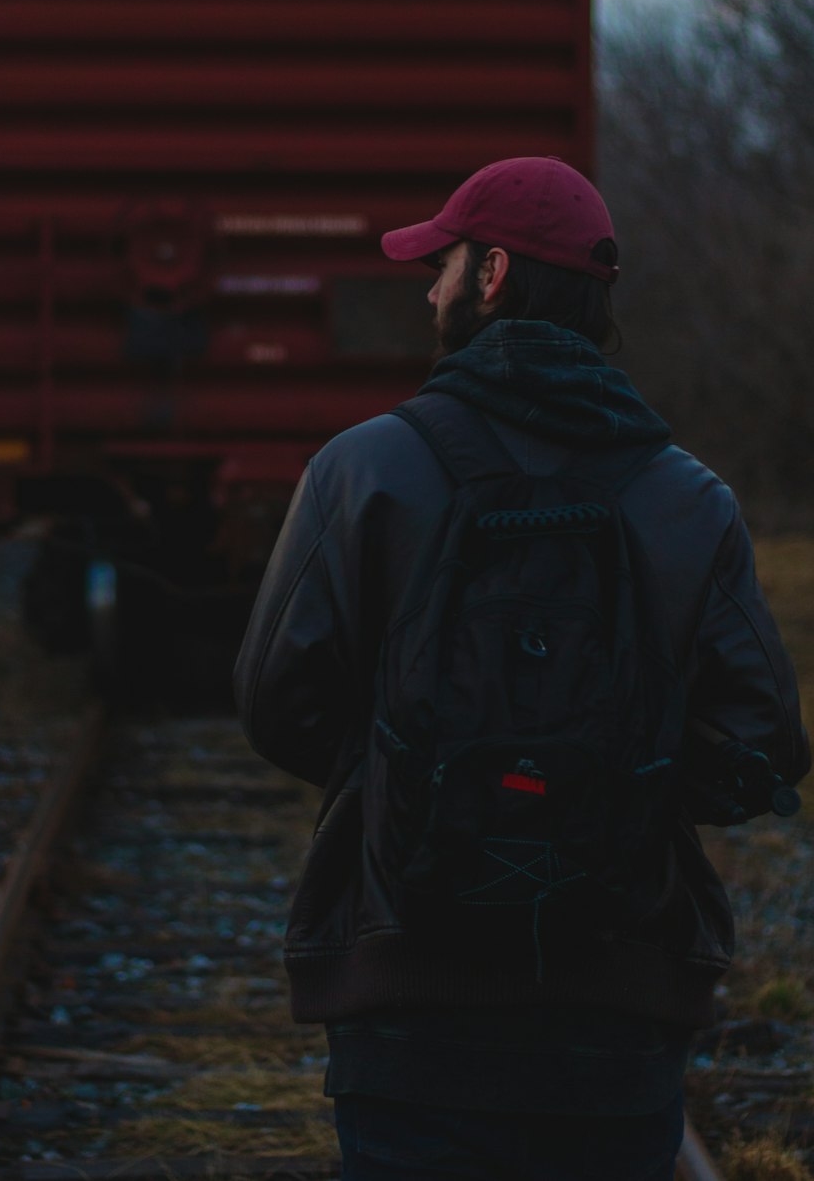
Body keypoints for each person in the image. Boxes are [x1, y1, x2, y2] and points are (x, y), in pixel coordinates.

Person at [232, 155, 809, 1181]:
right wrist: (610, 792)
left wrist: (415, 781)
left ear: (491, 276)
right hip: (617, 1001)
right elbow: (761, 744)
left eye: (442, 264)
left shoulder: (361, 469)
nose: (427, 288)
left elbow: (276, 699)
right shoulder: (688, 499)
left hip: (405, 996)